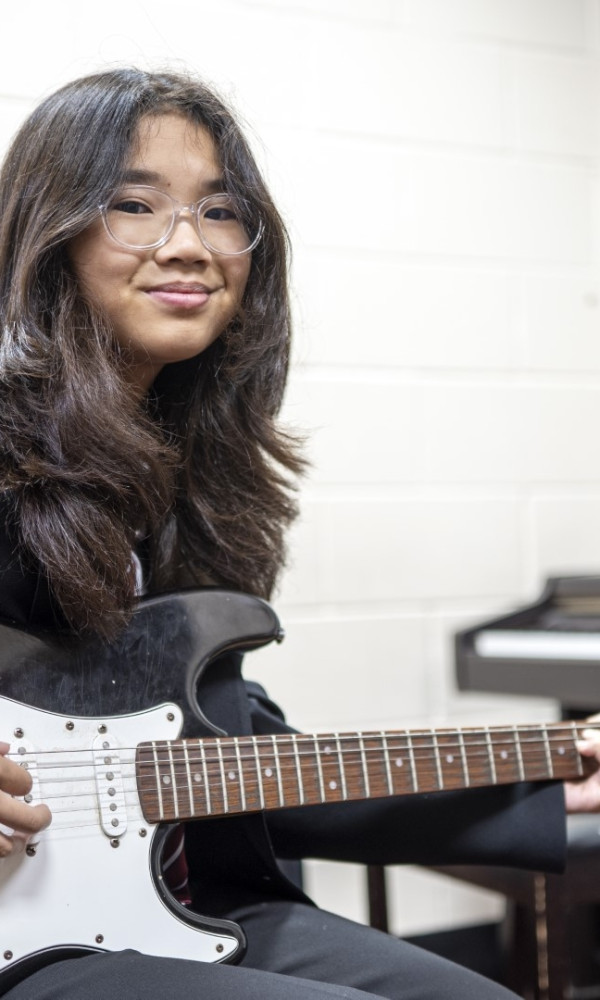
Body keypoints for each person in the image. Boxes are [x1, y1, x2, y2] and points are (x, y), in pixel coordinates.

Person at [0, 67, 598, 1000]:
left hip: (195, 908)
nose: (189, 245)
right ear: (50, 231)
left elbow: (245, 767)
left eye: (220, 211)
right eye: (133, 205)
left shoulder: (193, 479)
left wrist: (544, 784)